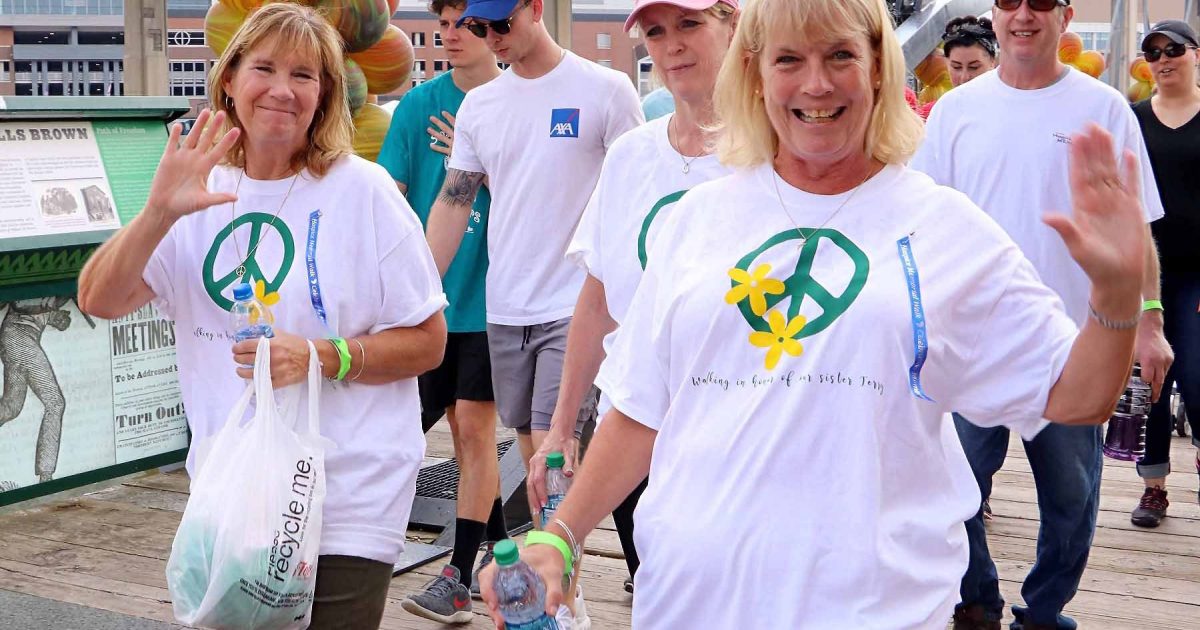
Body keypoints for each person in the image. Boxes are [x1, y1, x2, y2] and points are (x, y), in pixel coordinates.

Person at [480, 0, 1148, 627]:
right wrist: (560, 537)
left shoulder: (942, 227)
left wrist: (1117, 297)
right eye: (790, 60)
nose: (817, 85)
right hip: (684, 603)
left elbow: (1078, 394)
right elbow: (640, 409)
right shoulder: (697, 222)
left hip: (871, 609)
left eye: (840, 57)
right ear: (756, 75)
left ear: (879, 71)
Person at [75, 5, 448, 629]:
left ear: (325, 95)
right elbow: (99, 299)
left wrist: (322, 356)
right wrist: (158, 212)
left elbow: (427, 341)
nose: (282, 89)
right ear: (229, 80)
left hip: (346, 496)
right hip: (232, 493)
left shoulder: (365, 192)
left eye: (305, 75)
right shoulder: (196, 192)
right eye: (265, 68)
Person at [911, 1, 1169, 629]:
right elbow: (918, 223)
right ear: (996, 16)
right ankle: (978, 601)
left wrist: (1151, 320)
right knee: (954, 488)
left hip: (1074, 346)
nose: (1023, 14)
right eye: (1007, 2)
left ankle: (1044, 612)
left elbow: (1135, 228)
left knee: (1071, 502)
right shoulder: (953, 112)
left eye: (1041, 1)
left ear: (1066, 15)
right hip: (970, 343)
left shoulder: (1104, 108)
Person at [418, 0, 643, 620]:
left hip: (577, 304)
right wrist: (417, 295)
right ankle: (563, 604)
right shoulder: (480, 107)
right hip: (506, 308)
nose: (491, 39)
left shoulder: (606, 90)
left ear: (535, 8)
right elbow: (454, 203)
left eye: (500, 25)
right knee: (535, 456)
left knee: (553, 455)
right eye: (478, 28)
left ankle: (555, 611)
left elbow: (640, 190)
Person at [526, 0, 737, 597]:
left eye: (690, 25)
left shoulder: (773, 155)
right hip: (632, 423)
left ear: (735, 25)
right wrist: (562, 427)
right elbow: (599, 298)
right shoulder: (631, 157)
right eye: (656, 31)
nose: (672, 45)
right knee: (659, 584)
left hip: (731, 425)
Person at [377, 0, 509, 618]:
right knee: (444, 431)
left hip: (494, 297)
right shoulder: (416, 106)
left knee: (476, 429)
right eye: (445, 22)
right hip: (426, 301)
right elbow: (392, 201)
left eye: (467, 23)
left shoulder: (517, 105)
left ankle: (457, 575)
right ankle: (501, 550)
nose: (452, 34)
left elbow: (546, 207)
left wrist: (477, 156)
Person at [1129, 19, 1200, 527]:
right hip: (1147, 271)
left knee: (1197, 377)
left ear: (1195, 54)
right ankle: (1154, 487)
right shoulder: (1130, 121)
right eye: (1153, 52)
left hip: (1198, 274)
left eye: (1173, 48)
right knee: (1150, 381)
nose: (1163, 58)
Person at [0, 297, 74, 484]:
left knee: (11, 408)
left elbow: (56, 319)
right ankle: (46, 475)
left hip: (13, 339)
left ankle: (46, 473)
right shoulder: (38, 286)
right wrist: (49, 306)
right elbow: (20, 304)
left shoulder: (58, 294)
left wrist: (59, 317)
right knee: (55, 403)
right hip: (19, 337)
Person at [943, 15, 997, 87]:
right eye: (956, 67)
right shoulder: (945, 98)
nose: (964, 78)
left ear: (992, 62)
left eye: (974, 67)